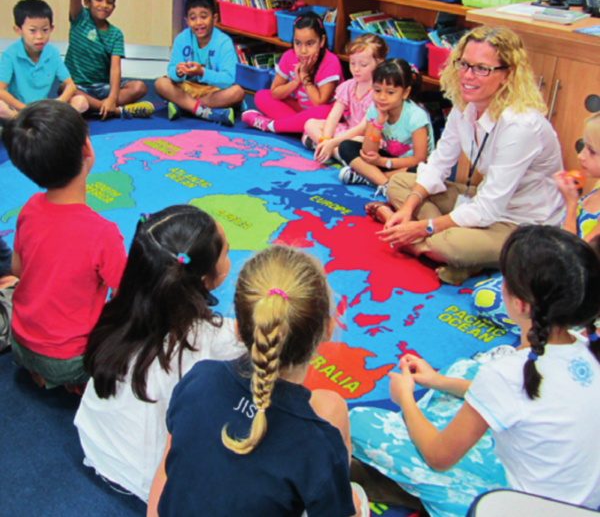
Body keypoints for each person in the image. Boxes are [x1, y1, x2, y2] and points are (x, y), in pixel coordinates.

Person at [351, 225, 600, 517]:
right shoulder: (586, 346)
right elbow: (516, 397)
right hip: (580, 503)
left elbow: (438, 457)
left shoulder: (507, 372)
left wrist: (405, 397)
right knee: (467, 369)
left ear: (519, 303)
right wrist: (438, 381)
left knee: (359, 421)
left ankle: (409, 492)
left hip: (519, 507)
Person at [147, 245, 368, 517]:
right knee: (356, 497)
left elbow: (168, 472)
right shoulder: (318, 440)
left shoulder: (199, 378)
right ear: (328, 329)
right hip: (321, 462)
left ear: (238, 328)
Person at [367, 25, 564, 285]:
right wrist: (408, 207)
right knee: (400, 184)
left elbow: (490, 208)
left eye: (482, 68)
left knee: (452, 244)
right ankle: (460, 258)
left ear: (507, 75)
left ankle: (435, 245)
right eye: (464, 64)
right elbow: (438, 164)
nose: (468, 76)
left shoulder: (520, 125)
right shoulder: (465, 105)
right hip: (480, 200)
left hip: (523, 225)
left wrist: (423, 226)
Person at [75, 205, 244, 501]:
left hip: (95, 447)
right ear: (204, 279)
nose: (229, 257)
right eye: (226, 252)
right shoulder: (209, 336)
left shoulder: (116, 313)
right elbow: (254, 339)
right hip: (148, 481)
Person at [2, 100, 127, 390]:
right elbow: (125, 300)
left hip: (20, 343)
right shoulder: (102, 233)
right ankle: (74, 381)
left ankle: (43, 373)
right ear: (87, 149)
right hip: (71, 360)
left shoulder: (29, 208)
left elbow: (18, 269)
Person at [474, 112, 600, 335]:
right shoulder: (597, 188)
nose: (581, 156)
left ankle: (562, 330)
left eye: (591, 151)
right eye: (583, 146)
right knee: (500, 286)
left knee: (489, 298)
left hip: (578, 294)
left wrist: (571, 206)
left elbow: (575, 260)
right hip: (565, 281)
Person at [65, 0, 154, 120]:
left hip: (102, 87)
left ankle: (103, 106)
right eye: (98, 0)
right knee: (66, 90)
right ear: (87, 3)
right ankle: (113, 110)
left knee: (139, 87)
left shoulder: (115, 33)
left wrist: (112, 97)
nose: (104, 5)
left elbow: (115, 68)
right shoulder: (80, 19)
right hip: (77, 86)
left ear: (114, 6)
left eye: (109, 1)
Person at [338, 58, 434, 200]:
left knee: (422, 172)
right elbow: (368, 152)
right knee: (346, 146)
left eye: (390, 92)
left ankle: (370, 177)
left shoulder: (416, 116)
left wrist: (381, 162)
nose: (382, 97)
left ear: (405, 93)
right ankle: (385, 183)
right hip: (389, 161)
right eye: (377, 90)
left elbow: (419, 159)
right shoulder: (375, 109)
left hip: (410, 165)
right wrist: (378, 125)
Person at [242, 11, 344, 134]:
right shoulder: (289, 56)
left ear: (322, 41)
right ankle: (298, 127)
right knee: (261, 96)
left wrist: (305, 76)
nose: (303, 50)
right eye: (298, 43)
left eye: (310, 44)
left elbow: (319, 102)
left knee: (325, 112)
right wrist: (295, 81)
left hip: (321, 113)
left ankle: (272, 126)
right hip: (300, 110)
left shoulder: (331, 62)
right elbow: (275, 93)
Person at [154, 0, 245, 126]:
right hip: (187, 88)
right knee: (160, 83)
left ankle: (185, 106)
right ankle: (205, 111)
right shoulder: (181, 38)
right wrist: (178, 72)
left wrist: (202, 73)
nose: (199, 23)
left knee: (237, 93)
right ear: (187, 21)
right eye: (193, 18)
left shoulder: (224, 42)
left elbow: (229, 79)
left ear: (214, 19)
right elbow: (171, 71)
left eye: (204, 17)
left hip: (213, 91)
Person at [0, 0, 88, 119]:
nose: (40, 36)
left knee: (81, 102)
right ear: (18, 30)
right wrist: (24, 109)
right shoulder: (9, 55)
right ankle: (21, 122)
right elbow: (1, 91)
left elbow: (70, 85)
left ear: (52, 28)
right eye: (32, 31)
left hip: (45, 111)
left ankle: (42, 124)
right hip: (19, 111)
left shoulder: (53, 53)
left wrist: (56, 104)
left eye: (45, 30)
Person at [303, 33, 388, 158]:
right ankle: (330, 150)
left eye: (363, 65)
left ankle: (333, 152)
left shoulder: (379, 92)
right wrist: (326, 139)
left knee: (357, 142)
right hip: (347, 131)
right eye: (352, 63)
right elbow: (333, 116)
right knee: (310, 124)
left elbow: (363, 128)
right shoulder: (349, 85)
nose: (356, 69)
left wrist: (333, 142)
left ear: (379, 63)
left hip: (365, 136)